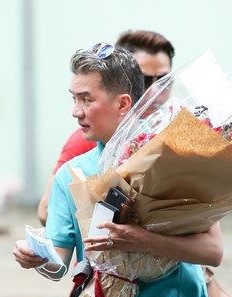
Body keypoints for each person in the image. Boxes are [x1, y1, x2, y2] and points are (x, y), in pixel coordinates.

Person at [13, 42, 223, 297]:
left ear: (123, 103)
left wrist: (140, 239)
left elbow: (213, 251)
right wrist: (36, 257)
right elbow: (59, 262)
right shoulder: (72, 175)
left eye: (86, 99)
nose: (76, 110)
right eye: (73, 98)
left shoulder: (172, 161)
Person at [37, 30, 176, 226]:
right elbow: (47, 211)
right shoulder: (86, 140)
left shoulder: (175, 144)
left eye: (164, 80)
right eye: (143, 80)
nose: (155, 90)